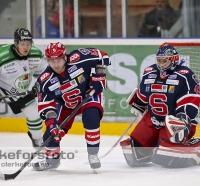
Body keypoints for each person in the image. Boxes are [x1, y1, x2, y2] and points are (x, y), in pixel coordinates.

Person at [33, 42, 110, 171]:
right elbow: (47, 106)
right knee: (50, 135)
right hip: (67, 105)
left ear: (64, 57)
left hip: (88, 95)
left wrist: (99, 75)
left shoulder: (78, 57)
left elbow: (103, 56)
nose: (56, 64)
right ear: (47, 61)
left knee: (91, 117)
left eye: (58, 60)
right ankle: (52, 161)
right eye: (52, 61)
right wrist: (51, 123)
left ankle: (93, 154)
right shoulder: (44, 80)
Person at [120, 44, 200, 168]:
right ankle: (154, 147)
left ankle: (195, 147)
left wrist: (182, 121)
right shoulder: (149, 73)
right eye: (159, 60)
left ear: (173, 60)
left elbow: (190, 104)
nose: (161, 64)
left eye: (164, 61)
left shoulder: (185, 75)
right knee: (133, 151)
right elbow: (142, 98)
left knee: (167, 155)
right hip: (153, 121)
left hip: (174, 124)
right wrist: (138, 103)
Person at [0, 28, 47, 147]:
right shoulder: (2, 57)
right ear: (16, 43)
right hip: (3, 88)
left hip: (23, 90)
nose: (26, 47)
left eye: (28, 44)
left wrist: (37, 85)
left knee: (35, 114)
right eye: (22, 44)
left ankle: (36, 138)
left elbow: (43, 73)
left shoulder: (36, 54)